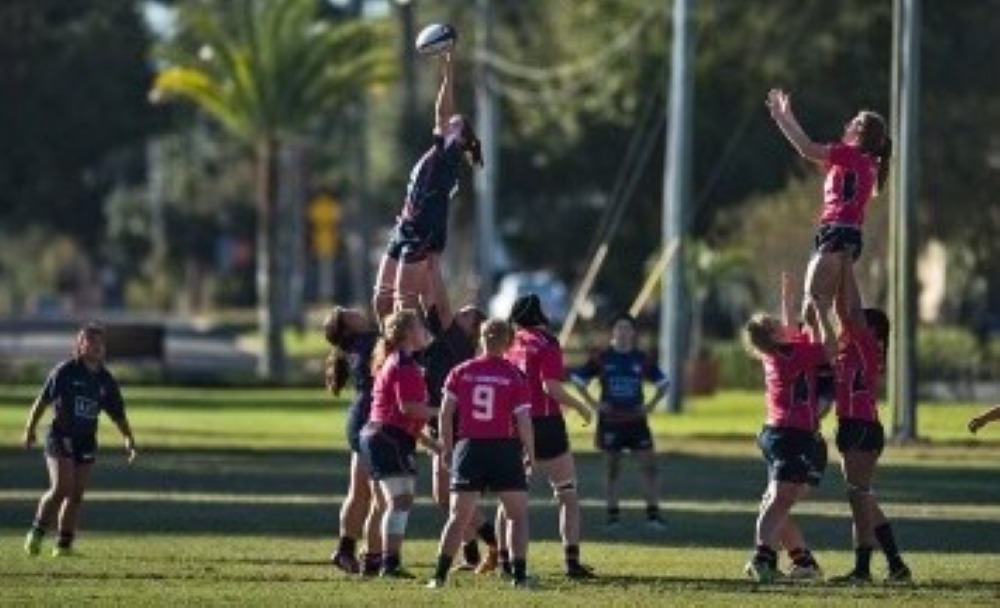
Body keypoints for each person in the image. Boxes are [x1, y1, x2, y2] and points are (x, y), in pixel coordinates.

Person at [765, 88, 892, 337]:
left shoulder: (851, 155)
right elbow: (810, 150)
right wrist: (788, 116)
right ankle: (852, 364)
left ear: (859, 134)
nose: (846, 125)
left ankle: (828, 368)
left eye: (853, 122)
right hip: (849, 236)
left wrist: (782, 120)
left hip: (836, 233)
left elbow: (806, 148)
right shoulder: (862, 162)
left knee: (813, 308)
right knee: (839, 314)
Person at [372, 51, 483, 322]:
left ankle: (411, 356)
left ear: (460, 136)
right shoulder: (440, 153)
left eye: (456, 124)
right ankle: (390, 351)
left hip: (422, 232)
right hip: (405, 227)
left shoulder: (449, 152)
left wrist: (447, 73)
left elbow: (440, 112)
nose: (449, 122)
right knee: (382, 299)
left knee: (404, 304)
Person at [427, 319, 536, 590]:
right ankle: (520, 577)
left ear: (481, 339)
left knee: (458, 517)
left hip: (470, 448)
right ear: (509, 343)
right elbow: (523, 421)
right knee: (517, 515)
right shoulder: (514, 375)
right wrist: (530, 452)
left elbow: (445, 414)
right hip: (504, 449)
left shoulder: (461, 371)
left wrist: (447, 448)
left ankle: (438, 577)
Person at [742, 289, 837, 583]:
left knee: (776, 502)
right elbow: (830, 348)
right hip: (791, 434)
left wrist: (789, 300)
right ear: (773, 334)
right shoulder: (792, 354)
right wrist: (820, 312)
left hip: (778, 433)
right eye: (776, 322)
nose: (785, 323)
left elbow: (792, 332)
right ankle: (762, 559)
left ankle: (803, 562)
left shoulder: (778, 352)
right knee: (781, 501)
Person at [22, 322, 137, 557]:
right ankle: (36, 533)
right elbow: (42, 401)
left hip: (86, 440)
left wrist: (128, 439)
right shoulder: (65, 372)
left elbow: (118, 414)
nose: (96, 346)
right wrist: (30, 428)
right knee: (61, 488)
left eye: (100, 342)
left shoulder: (105, 380)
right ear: (80, 345)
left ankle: (63, 546)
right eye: (90, 341)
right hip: (60, 436)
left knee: (76, 494)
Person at [502, 293, 595, 579]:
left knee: (511, 499)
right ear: (541, 315)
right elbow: (550, 387)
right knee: (567, 494)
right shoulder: (548, 342)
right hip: (546, 425)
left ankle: (504, 561)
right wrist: (580, 405)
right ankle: (571, 561)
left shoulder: (509, 343)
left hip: (516, 425)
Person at [829, 303, 912, 584]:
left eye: (859, 321)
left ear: (871, 329)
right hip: (851, 426)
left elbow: (842, 310)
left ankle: (863, 570)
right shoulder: (850, 349)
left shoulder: (866, 346)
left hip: (861, 427)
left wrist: (842, 267)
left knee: (859, 499)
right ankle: (896, 564)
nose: (851, 324)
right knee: (864, 500)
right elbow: (838, 316)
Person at [421, 302, 500, 573]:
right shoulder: (448, 340)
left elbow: (435, 303)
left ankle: (496, 545)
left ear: (473, 330)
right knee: (446, 497)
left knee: (450, 497)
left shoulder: (460, 344)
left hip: (453, 431)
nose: (459, 314)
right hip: (438, 428)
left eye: (467, 315)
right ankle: (473, 555)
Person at [570, 312, 669, 530]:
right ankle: (612, 516)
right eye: (619, 328)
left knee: (649, 466)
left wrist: (650, 406)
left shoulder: (641, 359)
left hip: (636, 422)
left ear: (633, 333)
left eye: (627, 328)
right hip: (611, 422)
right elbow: (577, 380)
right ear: (612, 332)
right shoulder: (602, 358)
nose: (623, 332)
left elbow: (664, 383)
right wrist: (594, 404)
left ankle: (653, 516)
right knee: (612, 468)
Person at [358, 309, 438, 578]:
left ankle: (380, 560)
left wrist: (432, 444)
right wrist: (446, 410)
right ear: (407, 333)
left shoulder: (403, 361)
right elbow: (408, 409)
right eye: (419, 326)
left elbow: (404, 417)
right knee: (400, 499)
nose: (423, 330)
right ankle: (389, 564)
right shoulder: (403, 363)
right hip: (386, 437)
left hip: (385, 436)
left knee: (391, 502)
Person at [323, 306, 385, 576]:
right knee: (378, 495)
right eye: (349, 313)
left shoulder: (361, 343)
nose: (357, 311)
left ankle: (346, 551)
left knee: (360, 492)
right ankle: (374, 557)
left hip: (360, 419)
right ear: (348, 328)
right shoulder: (367, 344)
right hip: (368, 421)